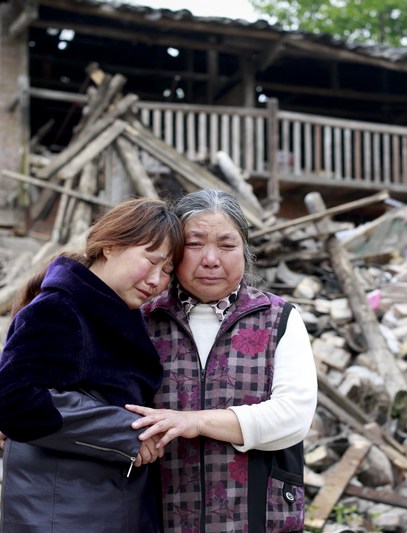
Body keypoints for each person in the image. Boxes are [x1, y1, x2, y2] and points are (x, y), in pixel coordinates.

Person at [125, 189, 318, 533]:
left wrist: (196, 422)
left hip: (258, 515)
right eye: (195, 244)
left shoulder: (278, 318)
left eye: (227, 246)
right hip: (159, 512)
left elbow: (294, 416)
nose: (211, 259)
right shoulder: (142, 319)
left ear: (244, 250)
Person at [0, 198, 183, 532]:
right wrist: (129, 432)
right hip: (61, 512)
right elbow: (12, 400)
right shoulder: (60, 308)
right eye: (151, 261)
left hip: (100, 505)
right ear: (109, 246)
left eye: (166, 272)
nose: (156, 280)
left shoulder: (120, 314)